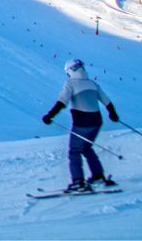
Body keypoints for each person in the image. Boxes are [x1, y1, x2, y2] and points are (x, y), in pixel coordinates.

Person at [42, 58, 119, 192]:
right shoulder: (92, 84)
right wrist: (112, 114)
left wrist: (49, 115)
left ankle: (78, 182)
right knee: (87, 147)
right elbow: (106, 101)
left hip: (82, 122)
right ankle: (98, 176)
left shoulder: (71, 83)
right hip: (96, 122)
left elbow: (62, 101)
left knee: (74, 151)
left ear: (70, 71)